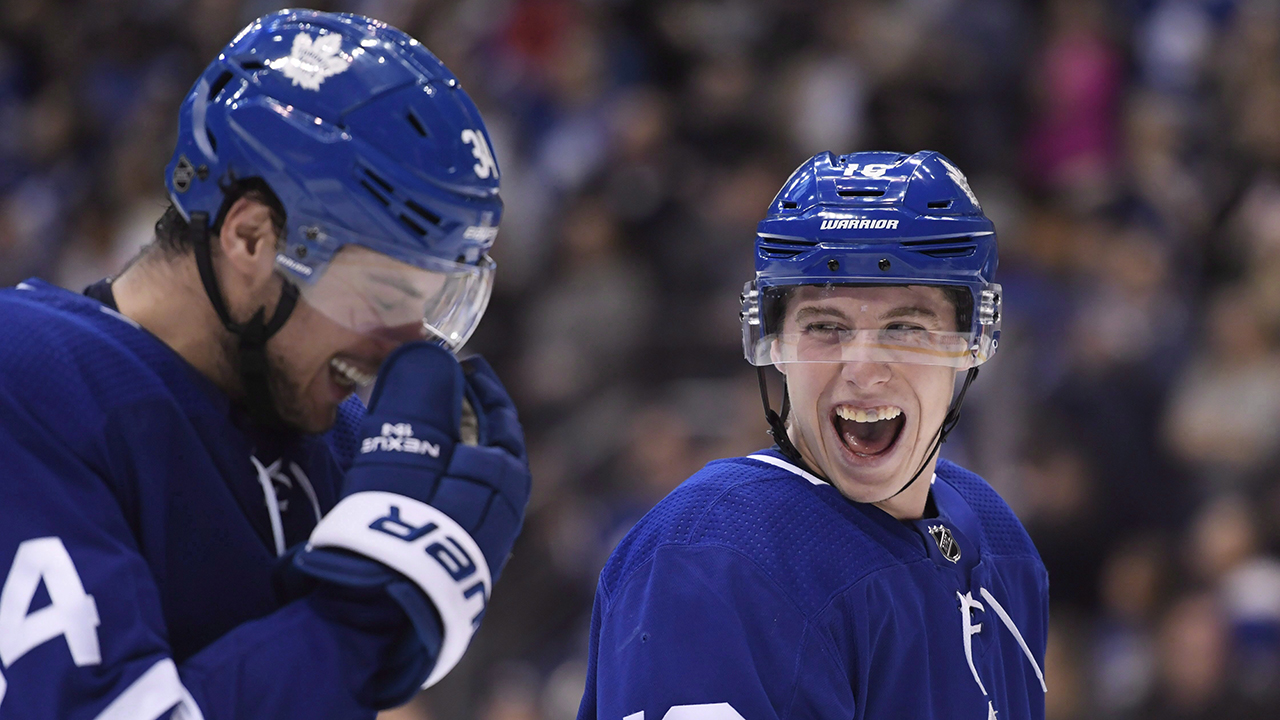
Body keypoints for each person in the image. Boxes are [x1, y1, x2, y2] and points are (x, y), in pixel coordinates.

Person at [0, 10, 530, 719]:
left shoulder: (339, 442)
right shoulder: (29, 381)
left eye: (438, 305)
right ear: (251, 237)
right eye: (382, 295)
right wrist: (368, 618)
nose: (407, 350)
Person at [579, 151, 1048, 719]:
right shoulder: (712, 559)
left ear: (971, 343)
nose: (863, 367)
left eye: (905, 327)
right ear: (774, 341)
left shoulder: (1000, 541)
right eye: (826, 326)